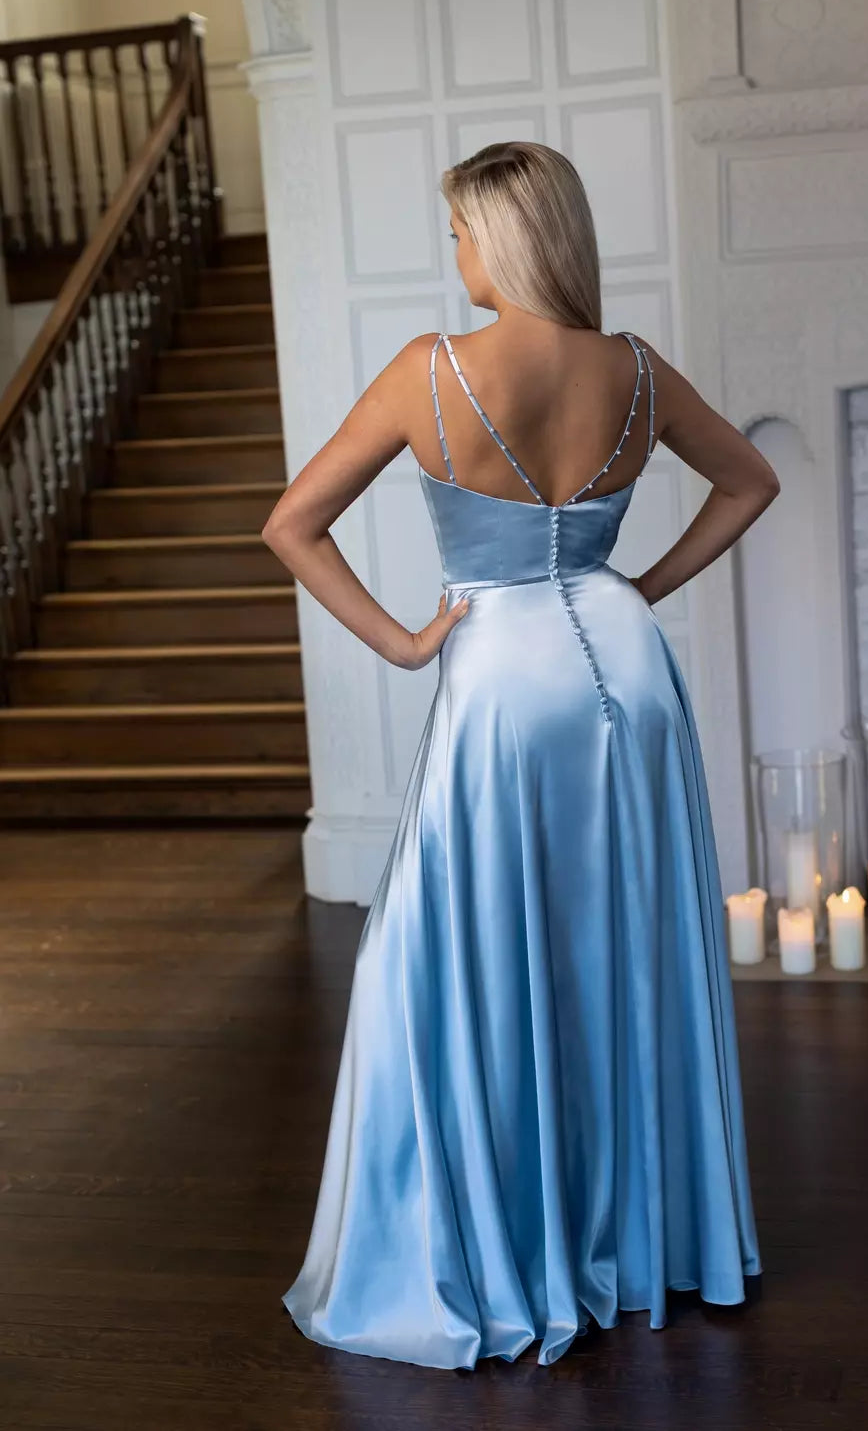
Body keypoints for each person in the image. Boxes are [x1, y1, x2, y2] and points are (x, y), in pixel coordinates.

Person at [262, 140, 779, 1370]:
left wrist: (403, 643)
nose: (455, 256)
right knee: (620, 953)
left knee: (465, 957)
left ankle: (503, 1249)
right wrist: (634, 589)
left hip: (499, 680)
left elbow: (292, 523)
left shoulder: (431, 369)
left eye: (459, 233)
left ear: (500, 238)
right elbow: (749, 482)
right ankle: (638, 1244)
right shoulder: (634, 369)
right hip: (624, 675)